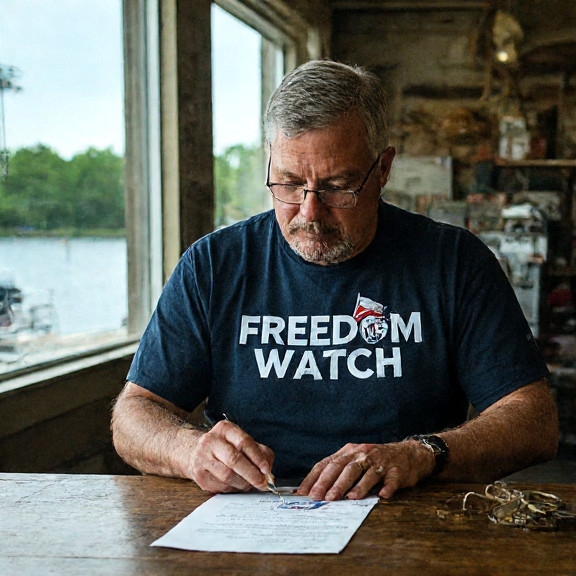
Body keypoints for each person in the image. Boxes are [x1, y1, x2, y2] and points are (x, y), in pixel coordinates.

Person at [111, 59, 558, 502]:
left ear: (382, 170)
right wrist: (189, 449)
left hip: (408, 518)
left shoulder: (455, 263)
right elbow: (134, 414)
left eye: (338, 186)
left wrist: (422, 453)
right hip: (253, 517)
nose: (309, 213)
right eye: (288, 184)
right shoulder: (213, 265)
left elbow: (534, 421)